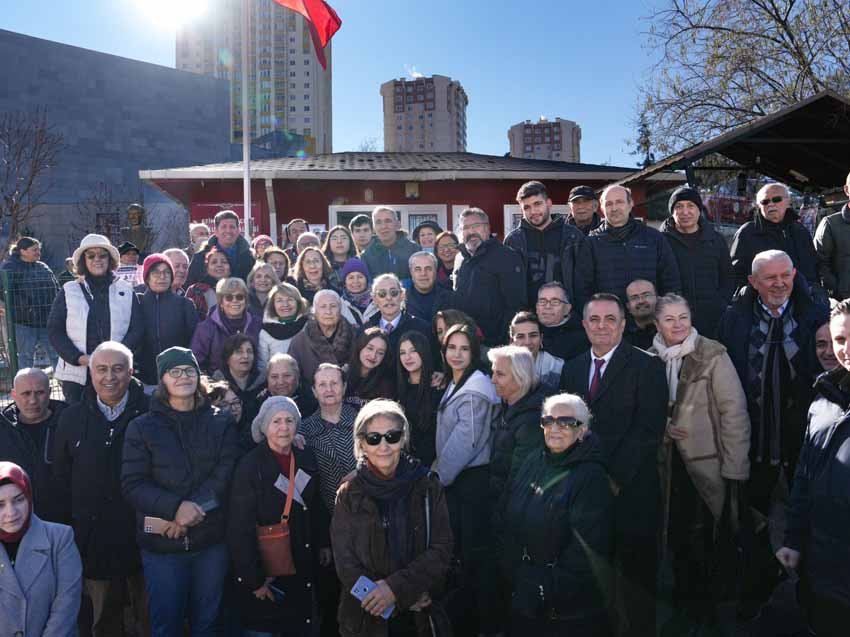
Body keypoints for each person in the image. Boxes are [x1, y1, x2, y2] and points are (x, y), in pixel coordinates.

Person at [716, 250, 828, 616]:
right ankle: (757, 591)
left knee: (813, 519)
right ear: (752, 282)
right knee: (754, 520)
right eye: (769, 278)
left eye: (786, 275)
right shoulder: (735, 318)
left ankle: (816, 598)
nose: (779, 283)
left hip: (804, 438)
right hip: (755, 437)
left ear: (795, 274)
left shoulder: (815, 314)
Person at [559, 293, 668, 637]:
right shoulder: (572, 367)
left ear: (623, 324)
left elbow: (648, 430)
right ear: (583, 324)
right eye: (594, 319)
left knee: (637, 584)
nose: (602, 326)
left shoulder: (647, 365)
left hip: (632, 490)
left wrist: (612, 479)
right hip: (584, 495)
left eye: (610, 319)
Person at [648, 295, 751, 632]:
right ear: (656, 324)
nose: (678, 325)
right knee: (675, 535)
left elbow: (733, 412)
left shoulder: (712, 354)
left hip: (710, 465)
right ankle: (683, 605)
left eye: (684, 317)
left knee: (706, 536)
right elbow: (644, 411)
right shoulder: (649, 359)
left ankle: (707, 612)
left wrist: (735, 469)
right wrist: (663, 429)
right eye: (669, 319)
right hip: (667, 466)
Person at [121, 347, 240, 635]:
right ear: (163, 380)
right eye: (174, 371)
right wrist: (175, 509)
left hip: (210, 541)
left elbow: (225, 473)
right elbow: (133, 484)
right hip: (163, 548)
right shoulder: (142, 428)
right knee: (166, 626)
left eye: (189, 370)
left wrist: (193, 509)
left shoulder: (220, 421)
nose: (183, 376)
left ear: (198, 376)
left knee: (208, 624)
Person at [331, 399, 453, 637]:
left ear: (403, 438)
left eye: (392, 436)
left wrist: (397, 590)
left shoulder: (427, 485)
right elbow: (345, 562)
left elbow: (442, 547)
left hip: (418, 615)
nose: (383, 446)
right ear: (362, 444)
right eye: (374, 438)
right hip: (367, 618)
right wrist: (386, 601)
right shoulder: (348, 492)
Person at [495, 393, 614, 637]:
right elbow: (507, 510)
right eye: (548, 421)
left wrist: (542, 587)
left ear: (582, 430)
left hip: (563, 610)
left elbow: (587, 550)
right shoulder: (534, 459)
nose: (555, 428)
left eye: (567, 422)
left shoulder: (591, 477)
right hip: (522, 591)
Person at [53, 342, 150, 636]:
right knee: (103, 621)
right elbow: (62, 480)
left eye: (118, 369)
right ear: (90, 373)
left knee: (148, 618)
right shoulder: (71, 419)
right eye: (102, 369)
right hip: (93, 542)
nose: (110, 377)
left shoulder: (150, 412)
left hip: (143, 540)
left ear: (130, 372)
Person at [228, 397, 330, 637]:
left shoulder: (306, 457)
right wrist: (254, 579)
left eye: (289, 420)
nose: (284, 427)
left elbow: (316, 505)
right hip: (268, 568)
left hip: (303, 557)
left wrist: (324, 542)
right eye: (276, 421)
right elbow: (239, 527)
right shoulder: (250, 466)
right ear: (264, 427)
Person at [778, 299, 850, 636]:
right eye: (840, 340)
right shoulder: (822, 400)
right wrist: (792, 537)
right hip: (821, 566)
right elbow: (804, 477)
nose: (845, 349)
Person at [434, 323, 501, 635]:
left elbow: (467, 441)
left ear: (474, 353)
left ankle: (482, 624)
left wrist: (437, 476)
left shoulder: (475, 390)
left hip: (470, 481)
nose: (457, 354)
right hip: (460, 481)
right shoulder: (457, 381)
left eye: (464, 349)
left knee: (475, 558)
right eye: (452, 348)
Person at [298, 363, 358, 637]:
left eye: (335, 383)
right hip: (329, 522)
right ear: (313, 390)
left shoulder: (363, 419)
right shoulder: (305, 429)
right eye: (322, 384)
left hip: (368, 518)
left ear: (344, 387)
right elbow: (308, 491)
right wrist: (322, 539)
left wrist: (362, 471)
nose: (329, 389)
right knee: (332, 594)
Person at [48, 233, 144, 403]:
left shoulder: (126, 290)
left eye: (102, 255)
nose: (97, 259)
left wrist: (116, 358)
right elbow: (55, 331)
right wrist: (79, 358)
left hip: (115, 374)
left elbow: (137, 329)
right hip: (77, 376)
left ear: (110, 259)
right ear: (83, 261)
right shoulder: (68, 290)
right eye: (91, 255)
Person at [0, 462, 83, 637]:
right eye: (0, 505)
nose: (11, 512)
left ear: (29, 497)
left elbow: (65, 609)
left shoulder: (60, 538)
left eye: (19, 500)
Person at [574, 185, 681, 309]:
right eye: (609, 204)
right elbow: (582, 289)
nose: (614, 208)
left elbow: (671, 282)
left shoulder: (654, 238)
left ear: (631, 204)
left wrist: (667, 313)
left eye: (619, 202)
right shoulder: (590, 243)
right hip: (609, 322)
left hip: (649, 320)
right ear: (601, 208)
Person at [660, 186, 735, 338]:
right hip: (675, 322)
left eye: (691, 206)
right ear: (672, 212)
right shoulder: (661, 241)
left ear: (699, 210)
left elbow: (728, 277)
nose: (685, 212)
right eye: (679, 206)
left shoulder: (716, 240)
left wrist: (720, 304)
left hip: (713, 319)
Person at [731, 183, 822, 299]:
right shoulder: (746, 233)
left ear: (788, 202)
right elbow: (734, 274)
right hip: (760, 305)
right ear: (759, 206)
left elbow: (812, 269)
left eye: (776, 199)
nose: (771, 204)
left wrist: (815, 294)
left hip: (800, 303)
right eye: (765, 202)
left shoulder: (800, 232)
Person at [0, 368, 67, 521]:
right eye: (26, 394)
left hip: (66, 517)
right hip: (15, 518)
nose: (33, 400)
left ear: (50, 392)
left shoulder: (69, 423)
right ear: (13, 395)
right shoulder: (4, 430)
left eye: (39, 392)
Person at [453, 207, 527, 347]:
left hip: (494, 343)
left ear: (487, 228)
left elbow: (516, 304)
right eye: (466, 227)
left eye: (476, 226)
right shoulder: (460, 259)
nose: (471, 231)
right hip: (465, 341)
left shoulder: (507, 257)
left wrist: (503, 340)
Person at [505, 180, 585, 307]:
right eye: (527, 207)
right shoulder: (514, 240)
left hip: (566, 314)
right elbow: (507, 283)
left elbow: (584, 280)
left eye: (537, 204)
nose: (533, 211)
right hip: (528, 316)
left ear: (549, 203)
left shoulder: (573, 237)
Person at [487, 345, 545, 499]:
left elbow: (520, 479)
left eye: (500, 374)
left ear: (521, 377)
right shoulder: (509, 403)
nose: (492, 380)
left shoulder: (532, 421)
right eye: (493, 372)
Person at [137, 254, 198, 386]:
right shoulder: (137, 302)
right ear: (147, 277)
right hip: (144, 375)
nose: (162, 277)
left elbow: (194, 340)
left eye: (167, 272)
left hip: (178, 374)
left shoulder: (184, 304)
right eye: (156, 272)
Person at [0, 237, 59, 369]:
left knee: (57, 355)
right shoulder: (9, 268)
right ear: (23, 251)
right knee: (25, 357)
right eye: (34, 250)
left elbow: (56, 288)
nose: (38, 252)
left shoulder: (43, 267)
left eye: (39, 249)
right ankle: (25, 387)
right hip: (23, 323)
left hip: (46, 321)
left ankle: (65, 385)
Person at [191, 277, 261, 375]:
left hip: (252, 383)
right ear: (221, 303)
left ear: (245, 301)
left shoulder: (257, 324)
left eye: (239, 297)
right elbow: (196, 364)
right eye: (229, 297)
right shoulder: (206, 328)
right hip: (217, 385)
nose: (234, 301)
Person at [288, 289, 356, 386]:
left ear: (340, 309)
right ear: (315, 311)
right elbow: (292, 376)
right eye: (323, 307)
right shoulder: (300, 341)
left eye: (333, 306)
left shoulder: (355, 334)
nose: (328, 311)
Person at [397, 331, 443, 467]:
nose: (407, 357)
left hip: (431, 464)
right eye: (402, 352)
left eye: (413, 351)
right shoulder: (398, 388)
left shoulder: (438, 386)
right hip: (403, 462)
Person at [212, 334, 266, 450]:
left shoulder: (263, 383)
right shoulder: (216, 384)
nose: (245, 356)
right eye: (239, 352)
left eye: (249, 351)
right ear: (227, 358)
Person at [363, 273, 432, 355]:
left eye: (394, 292)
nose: (388, 298)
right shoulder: (365, 331)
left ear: (402, 295)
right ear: (374, 299)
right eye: (382, 294)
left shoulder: (422, 329)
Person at [186, 209, 254, 286]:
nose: (228, 230)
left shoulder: (250, 257)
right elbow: (189, 285)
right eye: (223, 227)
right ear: (216, 231)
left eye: (232, 227)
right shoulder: (200, 257)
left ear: (238, 231)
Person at [257, 282, 309, 373]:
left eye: (290, 299)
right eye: (279, 300)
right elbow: (263, 366)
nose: (285, 304)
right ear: (273, 305)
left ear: (298, 302)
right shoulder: (266, 331)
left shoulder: (308, 325)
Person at [814, 171, 850, 301]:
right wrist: (837, 292)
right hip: (843, 305)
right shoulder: (830, 225)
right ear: (847, 190)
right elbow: (820, 263)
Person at [360, 206, 419, 284]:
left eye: (388, 221)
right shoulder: (366, 255)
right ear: (373, 228)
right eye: (378, 222)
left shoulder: (414, 249)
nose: (383, 226)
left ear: (397, 224)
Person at [536, 282, 589, 362]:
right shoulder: (528, 332)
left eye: (555, 302)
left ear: (567, 308)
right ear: (537, 307)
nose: (547, 306)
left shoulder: (581, 340)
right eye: (542, 301)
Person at [510, 311, 563, 390]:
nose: (528, 342)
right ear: (512, 341)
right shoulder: (503, 366)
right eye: (520, 337)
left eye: (533, 335)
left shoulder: (557, 367)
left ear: (541, 338)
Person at [345, 327, 394, 406]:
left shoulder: (386, 385)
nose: (373, 356)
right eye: (370, 348)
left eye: (380, 353)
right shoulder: (343, 375)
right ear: (360, 347)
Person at [260, 353, 319, 417]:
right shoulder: (258, 403)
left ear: (297, 376)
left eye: (287, 375)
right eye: (274, 376)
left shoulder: (312, 403)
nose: (281, 382)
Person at [404, 251, 456, 323]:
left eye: (428, 268)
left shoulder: (451, 299)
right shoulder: (401, 300)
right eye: (418, 269)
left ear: (435, 271)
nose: (423, 273)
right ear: (411, 272)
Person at [185, 246, 232, 321]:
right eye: (214, 262)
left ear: (230, 269)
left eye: (224, 262)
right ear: (207, 268)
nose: (219, 265)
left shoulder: (237, 289)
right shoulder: (195, 290)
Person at [338, 257, 379, 327]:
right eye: (351, 277)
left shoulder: (378, 301)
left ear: (367, 279)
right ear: (344, 282)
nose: (356, 281)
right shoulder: (339, 305)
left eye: (360, 277)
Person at [624, 279, 658, 350]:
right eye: (634, 298)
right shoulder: (621, 338)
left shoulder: (670, 329)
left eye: (646, 295)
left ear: (657, 299)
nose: (641, 301)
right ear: (628, 306)